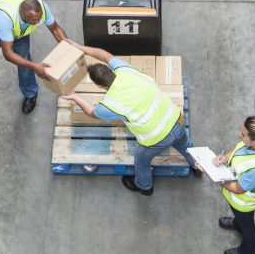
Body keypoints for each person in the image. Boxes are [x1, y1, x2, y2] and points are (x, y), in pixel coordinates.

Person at [62, 42, 199, 195]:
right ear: (110, 70)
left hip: (158, 139)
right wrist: (79, 47)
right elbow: (103, 54)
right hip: (176, 120)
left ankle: (144, 187)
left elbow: (90, 112)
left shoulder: (110, 104)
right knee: (186, 145)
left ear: (99, 86)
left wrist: (74, 96)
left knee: (141, 160)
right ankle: (197, 166)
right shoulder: (125, 70)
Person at [0, 0, 68, 114]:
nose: (38, 22)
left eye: (39, 19)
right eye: (34, 20)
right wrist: (35, 66)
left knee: (24, 59)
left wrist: (70, 49)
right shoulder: (5, 18)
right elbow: (8, 54)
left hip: (19, 31)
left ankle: (30, 94)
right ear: (22, 15)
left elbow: (55, 29)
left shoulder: (41, 9)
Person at [206, 116, 255, 254]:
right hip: (238, 202)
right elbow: (238, 148)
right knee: (242, 221)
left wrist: (218, 178)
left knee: (248, 227)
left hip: (243, 204)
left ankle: (249, 252)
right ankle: (238, 223)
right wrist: (224, 158)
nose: (241, 134)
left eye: (244, 134)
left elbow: (238, 188)